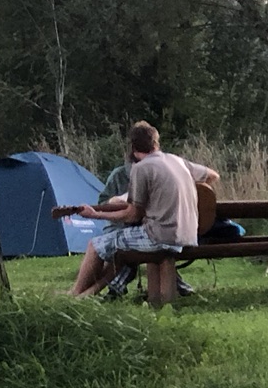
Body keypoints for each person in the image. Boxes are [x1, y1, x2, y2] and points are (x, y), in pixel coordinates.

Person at [67, 122, 219, 298]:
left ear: (133, 148)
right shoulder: (177, 161)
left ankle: (75, 294)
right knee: (126, 248)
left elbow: (132, 215)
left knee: (95, 245)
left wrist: (96, 215)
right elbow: (213, 175)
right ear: (156, 143)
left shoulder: (141, 168)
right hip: (189, 235)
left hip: (161, 237)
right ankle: (90, 294)